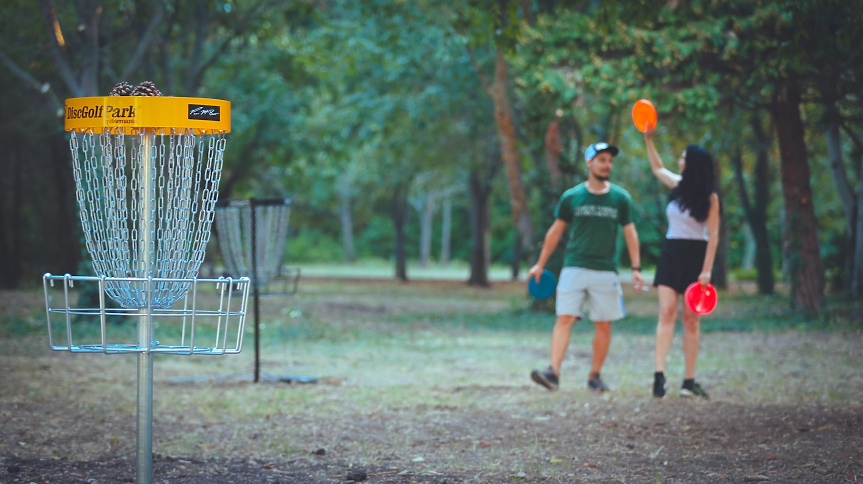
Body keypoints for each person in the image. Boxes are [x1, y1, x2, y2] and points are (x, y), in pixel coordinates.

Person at [529, 142, 644, 392]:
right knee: (564, 318)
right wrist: (540, 264)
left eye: (609, 161)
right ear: (589, 163)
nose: (607, 164)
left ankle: (595, 376)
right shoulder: (572, 197)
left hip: (605, 270)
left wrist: (636, 267)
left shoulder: (620, 198)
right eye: (601, 159)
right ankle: (553, 373)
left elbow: (630, 232)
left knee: (603, 324)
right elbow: (555, 231)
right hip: (574, 267)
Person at [643, 126, 720, 399]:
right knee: (666, 313)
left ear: (694, 164)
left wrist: (707, 270)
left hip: (696, 257)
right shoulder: (676, 185)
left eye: (684, 157)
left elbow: (713, 236)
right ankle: (659, 376)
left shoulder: (710, 198)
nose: (679, 161)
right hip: (671, 252)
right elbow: (657, 168)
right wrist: (648, 139)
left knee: (691, 320)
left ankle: (688, 380)